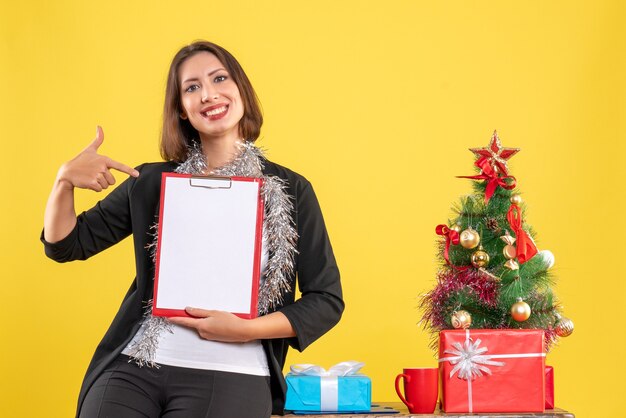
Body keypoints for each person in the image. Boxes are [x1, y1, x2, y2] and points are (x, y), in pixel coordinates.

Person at [42, 40, 343, 418]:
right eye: (192, 87)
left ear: (241, 92)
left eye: (219, 78)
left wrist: (244, 330)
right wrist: (63, 183)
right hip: (135, 366)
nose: (208, 94)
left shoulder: (291, 189)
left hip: (233, 373)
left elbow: (326, 301)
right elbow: (66, 245)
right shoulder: (150, 181)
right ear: (181, 110)